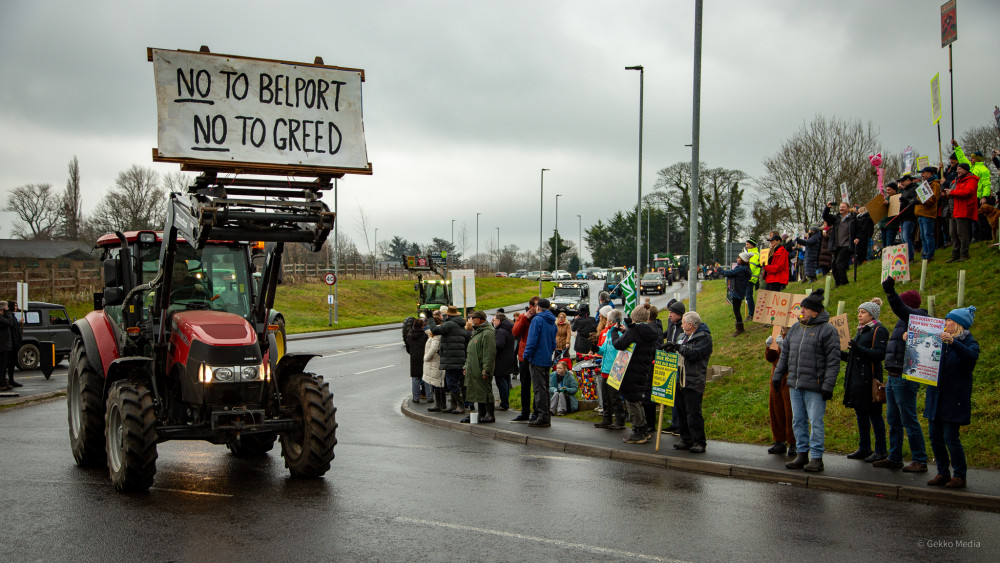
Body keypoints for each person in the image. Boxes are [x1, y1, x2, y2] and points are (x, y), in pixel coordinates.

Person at [773, 289, 840, 472]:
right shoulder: (795, 328)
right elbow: (785, 355)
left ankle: (817, 457)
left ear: (815, 312)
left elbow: (833, 362)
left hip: (815, 387)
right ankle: (802, 454)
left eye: (805, 308)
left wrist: (828, 386)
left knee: (816, 422)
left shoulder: (828, 331)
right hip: (795, 384)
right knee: (798, 421)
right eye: (801, 307)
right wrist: (778, 375)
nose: (801, 311)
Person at [875, 277, 929, 472]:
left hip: (905, 377)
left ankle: (920, 459)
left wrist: (890, 293)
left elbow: (902, 309)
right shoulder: (904, 322)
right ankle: (895, 456)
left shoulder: (918, 317)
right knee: (894, 420)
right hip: (893, 376)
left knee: (908, 419)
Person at [925, 306, 979, 489]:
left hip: (954, 398)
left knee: (950, 437)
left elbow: (971, 358)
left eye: (950, 321)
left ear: (960, 326)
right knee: (935, 436)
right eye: (946, 320)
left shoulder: (969, 342)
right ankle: (942, 472)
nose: (946, 323)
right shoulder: (939, 340)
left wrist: (954, 343)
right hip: (936, 397)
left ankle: (959, 475)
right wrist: (910, 340)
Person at [841, 300, 889, 463]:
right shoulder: (861, 331)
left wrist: (858, 349)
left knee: (874, 414)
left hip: (870, 378)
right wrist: (841, 354)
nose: (859, 315)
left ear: (872, 315)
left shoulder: (879, 330)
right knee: (860, 412)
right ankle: (864, 447)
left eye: (863, 312)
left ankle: (881, 449)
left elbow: (879, 355)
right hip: (857, 378)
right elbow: (856, 356)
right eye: (859, 311)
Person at [662, 311, 713, 453]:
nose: (681, 325)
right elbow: (679, 352)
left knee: (693, 413)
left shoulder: (704, 338)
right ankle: (686, 439)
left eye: (683, 323)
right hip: (678, 379)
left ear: (690, 324)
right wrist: (669, 350)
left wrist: (679, 347)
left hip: (693, 379)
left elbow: (694, 354)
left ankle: (699, 442)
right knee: (681, 411)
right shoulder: (682, 336)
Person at [612, 305, 661, 444]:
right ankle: (643, 429)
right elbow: (636, 338)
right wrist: (627, 331)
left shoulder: (634, 331)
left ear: (635, 317)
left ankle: (638, 430)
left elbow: (618, 344)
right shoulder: (650, 330)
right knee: (637, 399)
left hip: (631, 369)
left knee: (631, 400)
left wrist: (614, 332)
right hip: (642, 369)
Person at [523, 298, 557, 428]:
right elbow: (553, 343)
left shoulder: (537, 320)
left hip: (536, 358)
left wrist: (526, 355)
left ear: (538, 308)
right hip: (546, 358)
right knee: (545, 388)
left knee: (538, 389)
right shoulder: (552, 322)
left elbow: (532, 341)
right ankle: (545, 416)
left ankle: (542, 417)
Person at [429, 305, 470, 415]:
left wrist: (430, 319)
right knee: (455, 382)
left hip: (451, 358)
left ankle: (460, 406)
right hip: (459, 357)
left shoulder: (450, 324)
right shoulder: (460, 325)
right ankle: (454, 405)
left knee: (452, 383)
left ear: (448, 314)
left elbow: (435, 330)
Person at [764, 326, 795, 457]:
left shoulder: (797, 335)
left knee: (791, 411)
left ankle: (794, 443)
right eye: (782, 327)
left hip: (790, 375)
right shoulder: (777, 333)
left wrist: (786, 346)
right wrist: (769, 346)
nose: (783, 329)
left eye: (786, 327)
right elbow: (771, 358)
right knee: (776, 409)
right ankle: (779, 440)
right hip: (776, 375)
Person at [594, 308, 627, 430]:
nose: (606, 321)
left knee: (615, 397)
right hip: (606, 369)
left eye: (607, 319)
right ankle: (606, 418)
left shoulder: (617, 334)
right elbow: (603, 349)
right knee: (606, 396)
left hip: (615, 369)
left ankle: (620, 420)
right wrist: (595, 347)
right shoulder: (609, 333)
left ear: (611, 320)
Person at [462, 311, 496, 424]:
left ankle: (490, 414)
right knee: (478, 392)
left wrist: (486, 369)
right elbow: (470, 352)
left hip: (482, 368)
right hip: (474, 367)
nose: (471, 320)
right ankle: (481, 414)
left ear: (479, 319)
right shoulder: (477, 332)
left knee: (486, 391)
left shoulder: (487, 333)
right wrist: (466, 366)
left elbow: (489, 353)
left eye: (473, 318)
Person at [659, 300, 686, 435]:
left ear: (679, 315)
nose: (669, 315)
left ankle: (678, 424)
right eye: (669, 312)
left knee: (677, 394)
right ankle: (674, 422)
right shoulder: (672, 324)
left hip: (679, 362)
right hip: (668, 360)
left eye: (672, 313)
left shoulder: (683, 327)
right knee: (670, 393)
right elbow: (666, 334)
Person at [510, 296, 538, 423]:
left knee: (537, 386)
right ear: (531, 306)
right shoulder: (523, 317)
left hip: (536, 355)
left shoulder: (540, 318)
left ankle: (536, 412)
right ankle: (525, 411)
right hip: (524, 355)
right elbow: (515, 332)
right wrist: (524, 318)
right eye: (536, 305)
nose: (538, 308)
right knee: (525, 385)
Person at [945, 162, 979, 262]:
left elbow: (968, 192)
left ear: (965, 169)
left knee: (962, 233)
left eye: (959, 169)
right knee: (953, 234)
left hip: (963, 210)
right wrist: (946, 193)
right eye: (957, 169)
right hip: (953, 210)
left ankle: (964, 254)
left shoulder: (971, 180)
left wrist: (952, 192)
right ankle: (955, 255)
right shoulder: (955, 181)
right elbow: (953, 192)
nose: (957, 171)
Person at [823, 201, 858, 286]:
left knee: (839, 263)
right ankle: (837, 282)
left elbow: (859, 230)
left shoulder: (853, 219)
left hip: (846, 245)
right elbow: (825, 217)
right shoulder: (836, 219)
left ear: (848, 209)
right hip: (837, 245)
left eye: (843, 207)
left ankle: (844, 281)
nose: (841, 208)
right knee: (834, 265)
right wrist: (827, 208)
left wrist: (857, 238)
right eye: (840, 207)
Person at [720, 252, 751, 336]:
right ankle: (739, 326)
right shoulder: (746, 268)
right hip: (740, 291)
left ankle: (740, 328)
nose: (737, 259)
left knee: (736, 310)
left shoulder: (740, 269)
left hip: (737, 291)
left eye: (739, 258)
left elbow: (728, 273)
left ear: (743, 260)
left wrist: (719, 269)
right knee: (736, 310)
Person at [915, 166, 940, 261]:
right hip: (921, 213)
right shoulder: (924, 184)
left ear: (929, 173)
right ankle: (924, 254)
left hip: (928, 213)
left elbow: (933, 199)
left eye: (923, 173)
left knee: (928, 234)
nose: (922, 175)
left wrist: (921, 200)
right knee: (923, 236)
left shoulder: (934, 184)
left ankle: (929, 254)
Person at [492, 312, 516, 411]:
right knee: (506, 381)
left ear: (499, 320)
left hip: (501, 360)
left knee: (501, 382)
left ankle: (504, 403)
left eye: (494, 320)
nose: (493, 322)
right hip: (509, 358)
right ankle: (505, 402)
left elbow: (499, 344)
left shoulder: (501, 331)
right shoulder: (509, 328)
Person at [423, 318, 446, 412]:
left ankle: (439, 404)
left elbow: (434, 348)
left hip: (435, 362)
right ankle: (441, 404)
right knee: (438, 383)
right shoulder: (435, 333)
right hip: (436, 362)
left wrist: (426, 358)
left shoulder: (436, 334)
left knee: (438, 383)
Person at [895, 176, 919, 262]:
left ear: (908, 180)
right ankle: (906, 256)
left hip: (909, 215)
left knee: (906, 236)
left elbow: (915, 200)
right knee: (903, 238)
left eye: (903, 181)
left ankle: (910, 256)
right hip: (902, 216)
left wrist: (906, 200)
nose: (901, 183)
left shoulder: (915, 188)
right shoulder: (904, 190)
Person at [407, 318, 429, 403]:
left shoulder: (409, 336)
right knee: (426, 377)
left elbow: (408, 348)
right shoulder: (425, 335)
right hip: (424, 357)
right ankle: (429, 397)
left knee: (415, 378)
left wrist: (413, 353)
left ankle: (416, 398)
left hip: (414, 358)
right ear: (422, 326)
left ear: (413, 325)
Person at [5, 300, 23, 388]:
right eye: (15, 306)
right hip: (11, 344)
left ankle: (10, 379)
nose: (16, 307)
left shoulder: (12, 316)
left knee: (12, 363)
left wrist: (19, 323)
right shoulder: (9, 316)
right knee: (9, 363)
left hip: (15, 344)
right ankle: (8, 380)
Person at [744, 239, 761, 322]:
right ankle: (751, 313)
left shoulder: (753, 255)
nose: (746, 246)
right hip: (750, 278)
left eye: (747, 244)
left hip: (750, 278)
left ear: (752, 245)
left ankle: (752, 314)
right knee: (748, 296)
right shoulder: (749, 254)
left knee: (748, 296)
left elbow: (752, 267)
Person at [0, 301, 14, 391]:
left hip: (4, 345)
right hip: (2, 345)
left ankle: (4, 381)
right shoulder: (1, 318)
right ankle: (1, 383)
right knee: (1, 366)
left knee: (4, 366)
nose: (8, 308)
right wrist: (8, 313)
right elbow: (9, 322)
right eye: (7, 307)